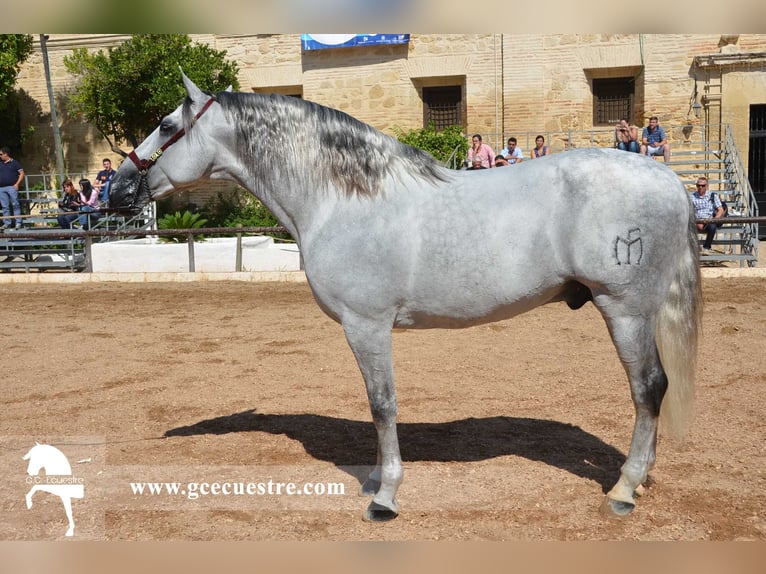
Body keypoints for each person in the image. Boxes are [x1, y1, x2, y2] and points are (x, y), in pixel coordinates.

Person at [691, 176, 724, 255]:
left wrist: (714, 220)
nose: (700, 187)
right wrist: (696, 221)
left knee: (712, 226)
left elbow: (720, 209)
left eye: (703, 185)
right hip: (696, 220)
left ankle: (706, 247)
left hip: (709, 220)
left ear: (707, 186)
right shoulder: (691, 197)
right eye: (698, 185)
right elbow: (689, 211)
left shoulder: (712, 195)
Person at [0, 146, 25, 230]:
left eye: (1, 154)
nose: (0, 156)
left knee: (15, 204)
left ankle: (18, 222)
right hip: (1, 188)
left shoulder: (15, 163)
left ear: (6, 154)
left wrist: (17, 184)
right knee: (5, 206)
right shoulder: (1, 164)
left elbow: (21, 173)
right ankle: (7, 223)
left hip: (11, 187)